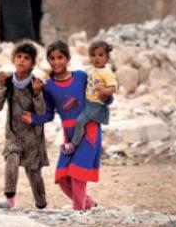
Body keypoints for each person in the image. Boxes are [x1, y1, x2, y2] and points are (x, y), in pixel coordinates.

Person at [22, 40, 111, 211]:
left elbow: (102, 97)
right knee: (62, 178)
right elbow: (48, 114)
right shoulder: (48, 87)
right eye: (52, 58)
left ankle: (78, 213)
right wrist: (33, 117)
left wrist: (106, 96)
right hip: (69, 135)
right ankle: (90, 205)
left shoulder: (81, 77)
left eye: (60, 57)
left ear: (68, 58)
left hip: (89, 131)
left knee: (78, 175)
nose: (56, 62)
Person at [0, 41, 49, 210]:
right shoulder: (8, 81)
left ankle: (41, 203)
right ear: (13, 59)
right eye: (18, 56)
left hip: (33, 137)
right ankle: (9, 199)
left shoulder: (36, 83)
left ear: (33, 63)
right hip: (13, 134)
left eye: (26, 58)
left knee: (33, 173)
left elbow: (41, 112)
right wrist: (1, 86)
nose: (22, 60)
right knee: (11, 160)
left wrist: (38, 94)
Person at [61, 40, 117, 155]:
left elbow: (113, 88)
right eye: (93, 55)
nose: (97, 58)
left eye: (101, 55)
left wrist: (104, 91)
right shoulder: (92, 71)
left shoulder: (107, 73)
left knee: (80, 122)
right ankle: (96, 147)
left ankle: (73, 144)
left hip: (95, 105)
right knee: (89, 127)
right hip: (88, 102)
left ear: (107, 58)